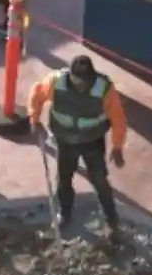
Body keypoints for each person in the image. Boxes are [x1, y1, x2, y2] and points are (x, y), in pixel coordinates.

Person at [28, 54, 128, 236]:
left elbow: (118, 117)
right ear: (70, 75)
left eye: (86, 81)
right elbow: (37, 94)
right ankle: (64, 214)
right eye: (78, 81)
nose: (82, 86)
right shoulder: (55, 82)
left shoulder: (104, 88)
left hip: (92, 141)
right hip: (65, 140)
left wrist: (117, 146)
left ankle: (111, 220)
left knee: (99, 180)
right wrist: (34, 119)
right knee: (64, 179)